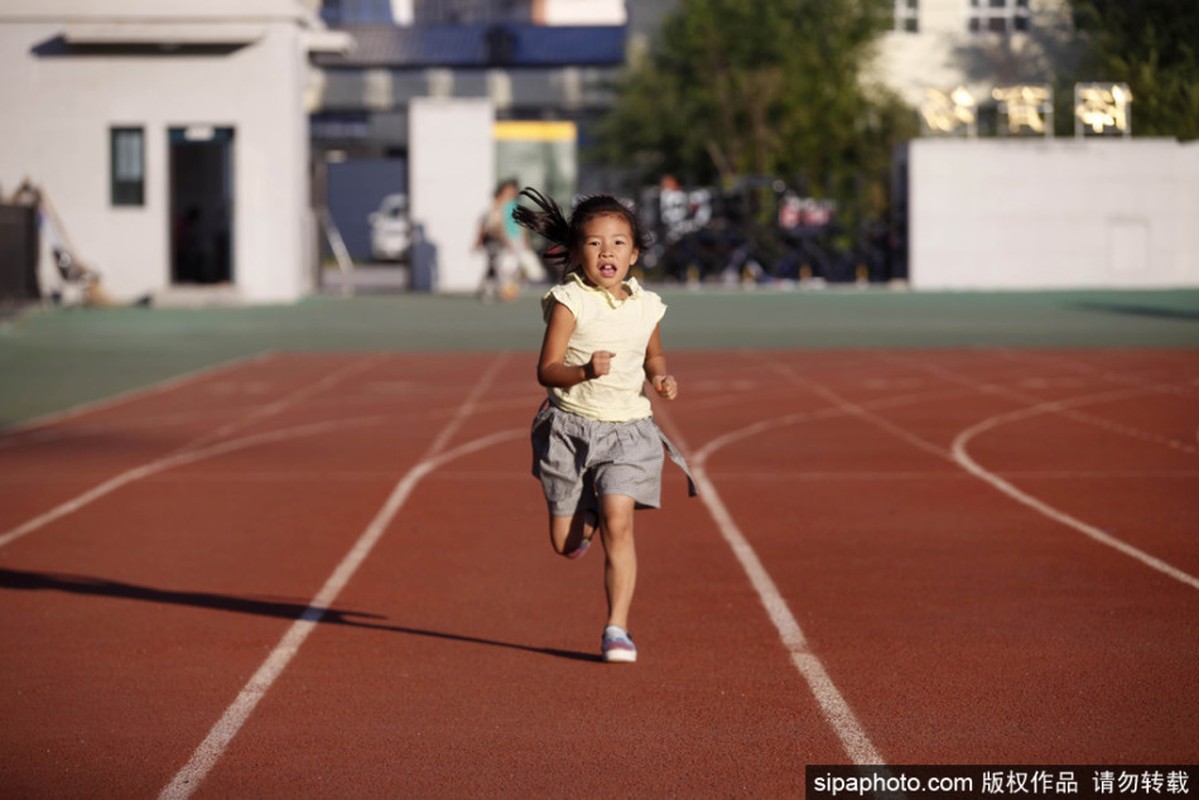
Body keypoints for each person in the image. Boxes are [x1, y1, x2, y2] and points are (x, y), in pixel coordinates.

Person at [515, 187, 695, 664]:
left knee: (621, 521)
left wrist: (660, 377)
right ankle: (583, 519)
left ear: (634, 253)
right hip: (569, 430)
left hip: (629, 431)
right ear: (577, 252)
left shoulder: (646, 305)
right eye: (594, 243)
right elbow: (547, 369)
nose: (607, 251)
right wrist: (585, 372)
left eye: (618, 242)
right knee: (565, 545)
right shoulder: (569, 302)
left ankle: (617, 628)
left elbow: (653, 353)